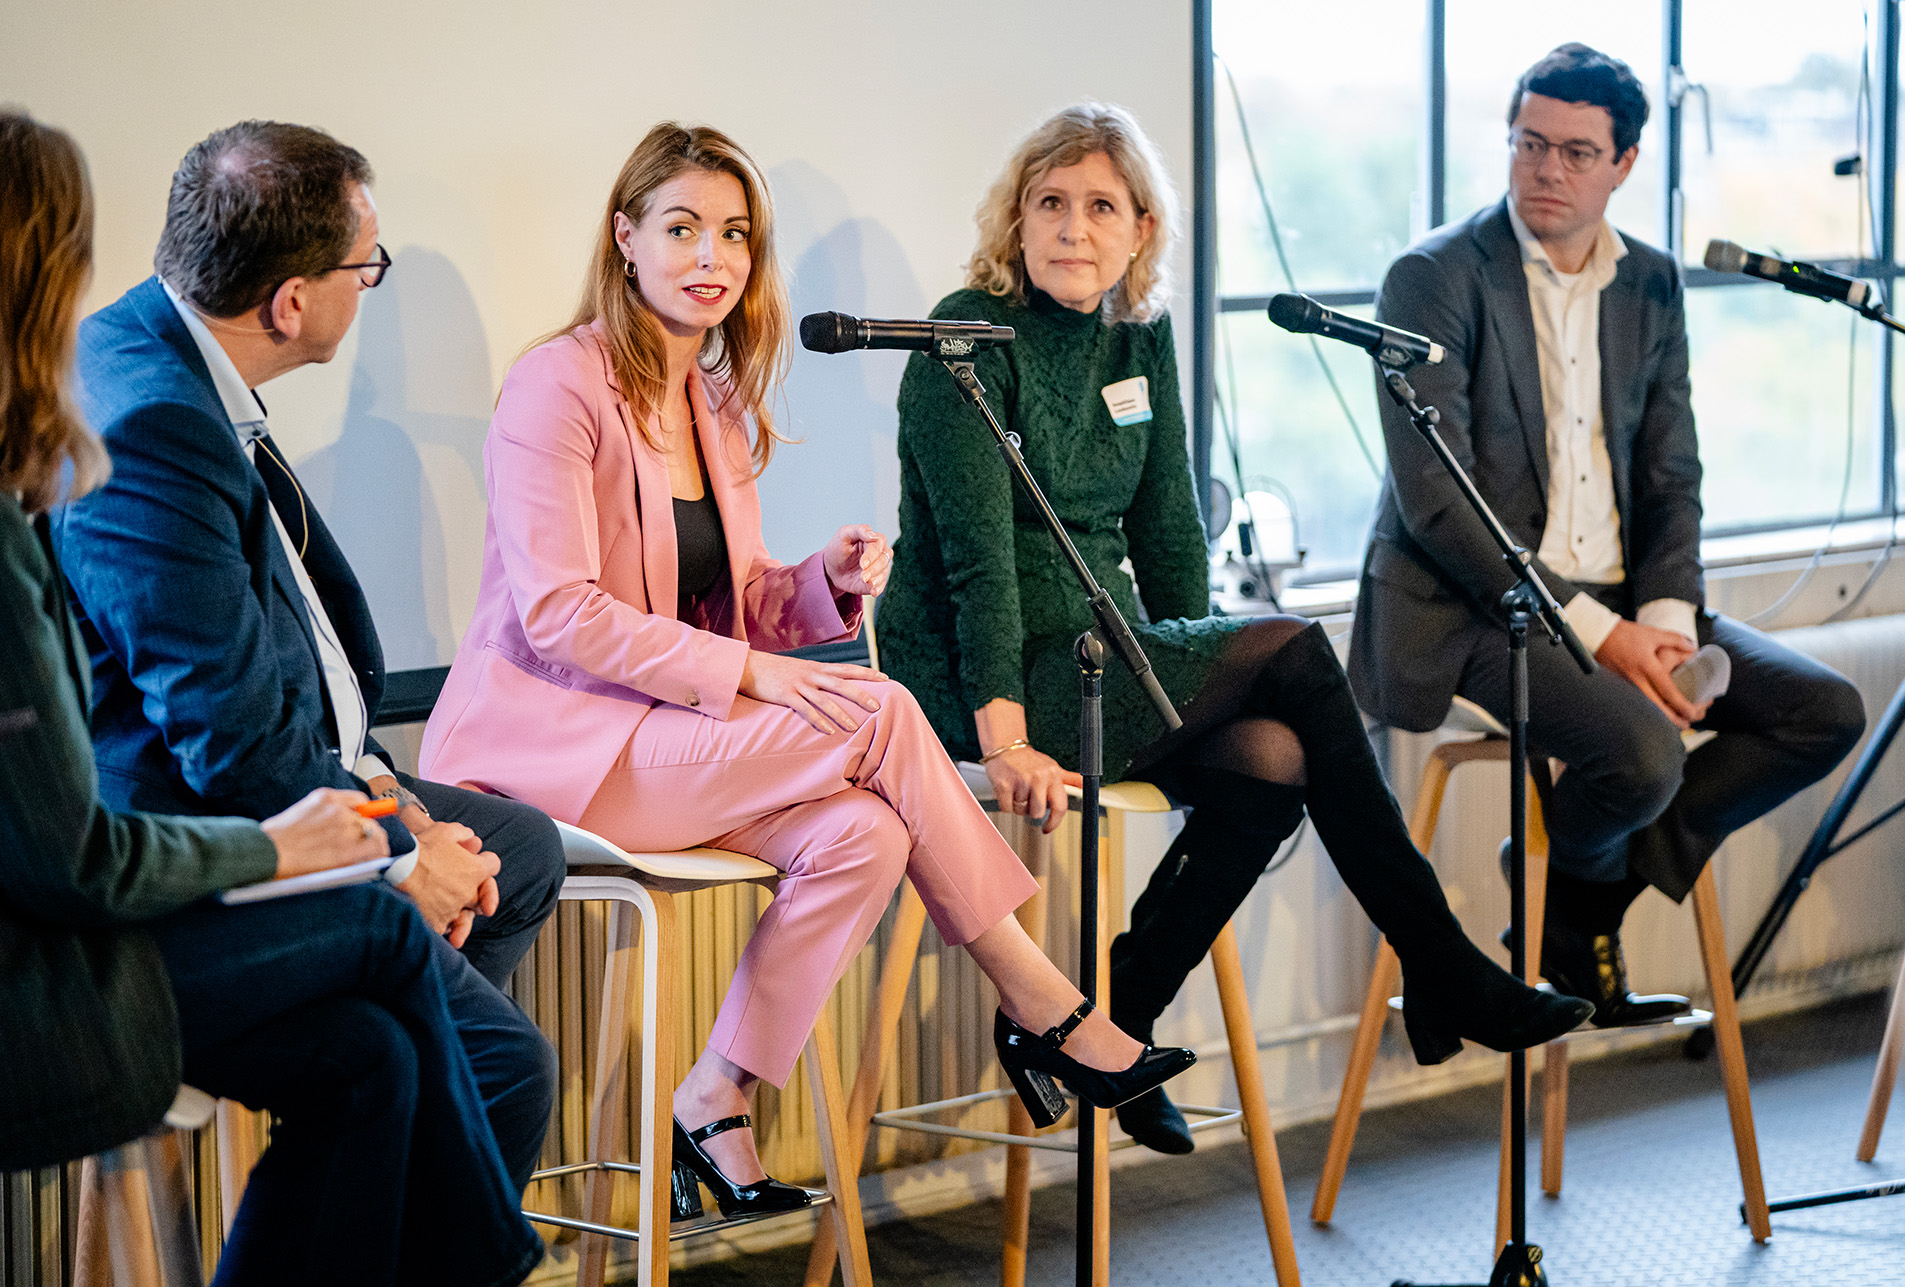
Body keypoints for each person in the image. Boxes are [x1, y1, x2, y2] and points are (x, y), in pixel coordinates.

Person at [420, 121, 1195, 1214]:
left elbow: (730, 614)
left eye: (734, 235)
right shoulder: (558, 385)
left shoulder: (716, 402)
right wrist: (760, 678)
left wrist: (819, 588)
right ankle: (1045, 1005)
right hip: (556, 750)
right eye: (683, 228)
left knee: (864, 834)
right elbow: (561, 617)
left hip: (668, 738)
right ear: (625, 237)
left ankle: (717, 1096)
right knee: (877, 711)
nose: (712, 257)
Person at [879, 102, 1593, 1155]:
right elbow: (976, 566)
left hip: (1106, 648)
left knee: (1273, 755)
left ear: (1140, 232)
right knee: (1297, 652)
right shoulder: (964, 337)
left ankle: (1111, 1020)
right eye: (1051, 204)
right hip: (988, 675)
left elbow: (1169, 529)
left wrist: (1198, 680)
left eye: (1101, 207)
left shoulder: (1139, 334)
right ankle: (1444, 967)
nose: (1075, 228)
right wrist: (1003, 736)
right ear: (1016, 222)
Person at [0, 108, 544, 1287]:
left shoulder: (152, 378)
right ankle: (491, 1257)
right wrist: (362, 852)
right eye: (369, 266)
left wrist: (380, 808)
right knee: (462, 1029)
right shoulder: (145, 418)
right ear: (291, 301)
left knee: (386, 1048)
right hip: (97, 929)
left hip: (219, 825)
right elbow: (188, 762)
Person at [1351, 44, 1866, 1028]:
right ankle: (1576, 905)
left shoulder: (1654, 284)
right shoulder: (1433, 277)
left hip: (1628, 593)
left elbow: (1672, 474)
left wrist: (1664, 620)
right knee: (1641, 756)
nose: (1548, 169)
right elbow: (1441, 508)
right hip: (1474, 605)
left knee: (1822, 712)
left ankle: (1579, 898)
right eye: (1530, 144)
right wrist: (1605, 634)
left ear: (1624, 163)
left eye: (1577, 152)